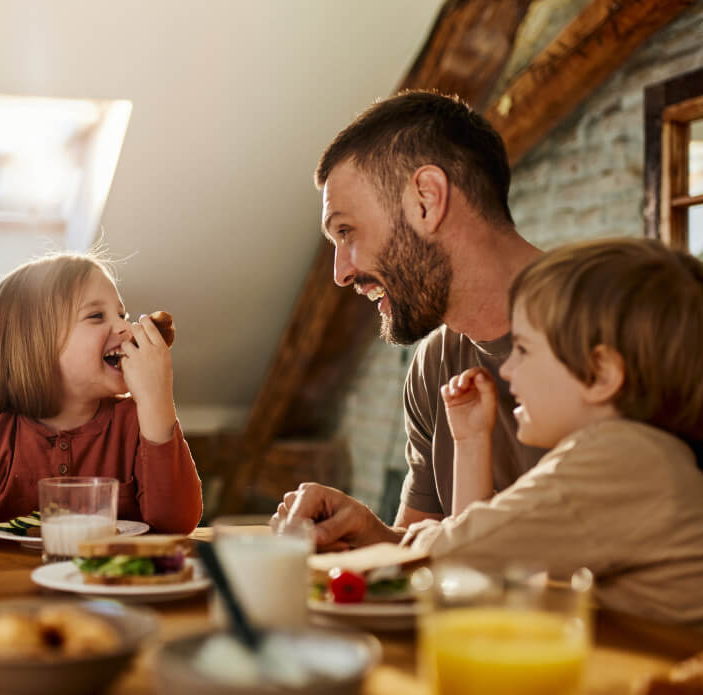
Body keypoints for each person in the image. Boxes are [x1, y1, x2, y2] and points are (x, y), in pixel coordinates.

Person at [275, 90, 546, 550]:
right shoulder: (436, 365)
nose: (340, 273)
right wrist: (371, 534)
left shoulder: (621, 322)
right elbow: (433, 554)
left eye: (347, 231)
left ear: (426, 200)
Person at [409, 239, 703, 626]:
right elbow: (481, 569)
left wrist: (421, 535)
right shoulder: (648, 455)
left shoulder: (621, 460)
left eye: (525, 350)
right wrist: (471, 443)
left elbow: (457, 556)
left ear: (601, 374)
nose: (508, 369)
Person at [0, 252, 203, 536]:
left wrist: (156, 400)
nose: (125, 326)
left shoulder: (139, 423)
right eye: (96, 316)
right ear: (35, 345)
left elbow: (176, 524)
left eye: (122, 314)